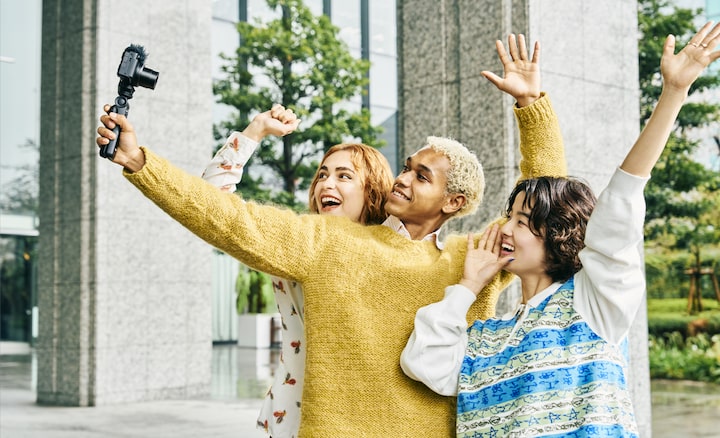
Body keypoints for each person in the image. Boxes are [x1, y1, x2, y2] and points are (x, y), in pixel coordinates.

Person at [95, 34, 565, 437]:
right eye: (404, 169)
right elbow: (228, 218)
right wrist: (142, 163)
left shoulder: (475, 257)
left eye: (421, 177)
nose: (402, 179)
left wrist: (531, 105)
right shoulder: (331, 241)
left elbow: (546, 204)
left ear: (454, 203)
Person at [400, 22, 720, 438]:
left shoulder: (593, 304)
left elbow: (621, 199)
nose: (507, 229)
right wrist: (468, 285)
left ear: (561, 233)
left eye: (523, 221)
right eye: (509, 216)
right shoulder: (487, 337)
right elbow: (423, 362)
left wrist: (673, 93)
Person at [202, 105, 395, 437]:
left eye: (343, 176)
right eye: (322, 174)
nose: (325, 184)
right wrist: (255, 131)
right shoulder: (297, 245)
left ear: (373, 191)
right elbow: (210, 201)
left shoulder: (395, 251)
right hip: (300, 419)